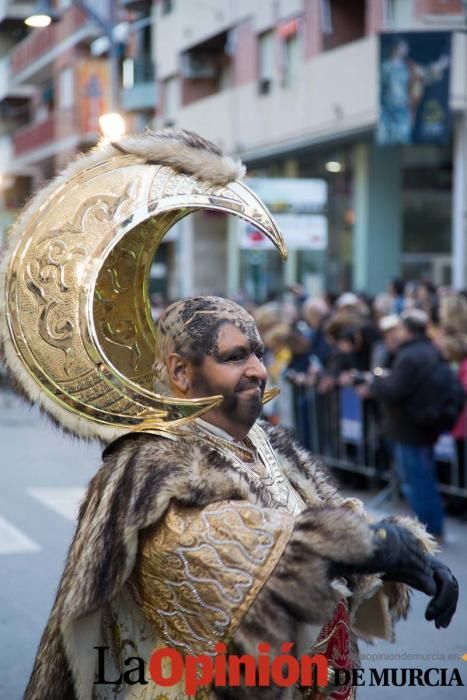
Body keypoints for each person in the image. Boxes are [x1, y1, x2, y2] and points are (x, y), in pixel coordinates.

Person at [0, 130, 458, 700]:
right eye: (234, 357)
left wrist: (399, 552)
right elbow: (216, 559)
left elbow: (330, 519)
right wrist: (363, 543)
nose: (259, 371)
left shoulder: (270, 443)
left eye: (259, 353)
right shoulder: (150, 463)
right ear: (182, 372)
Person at [366, 309, 455, 538]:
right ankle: (431, 525)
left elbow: (395, 390)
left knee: (418, 481)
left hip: (410, 427)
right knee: (422, 478)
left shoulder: (411, 355)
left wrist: (376, 382)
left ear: (406, 330)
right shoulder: (429, 351)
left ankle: (428, 528)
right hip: (422, 423)